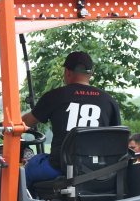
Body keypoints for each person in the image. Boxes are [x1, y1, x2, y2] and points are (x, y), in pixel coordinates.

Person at [22, 51, 122, 187]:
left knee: (28, 169)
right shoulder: (109, 101)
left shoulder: (55, 96)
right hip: (98, 171)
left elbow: (25, 122)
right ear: (90, 74)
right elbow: (117, 138)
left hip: (59, 168)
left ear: (67, 72)